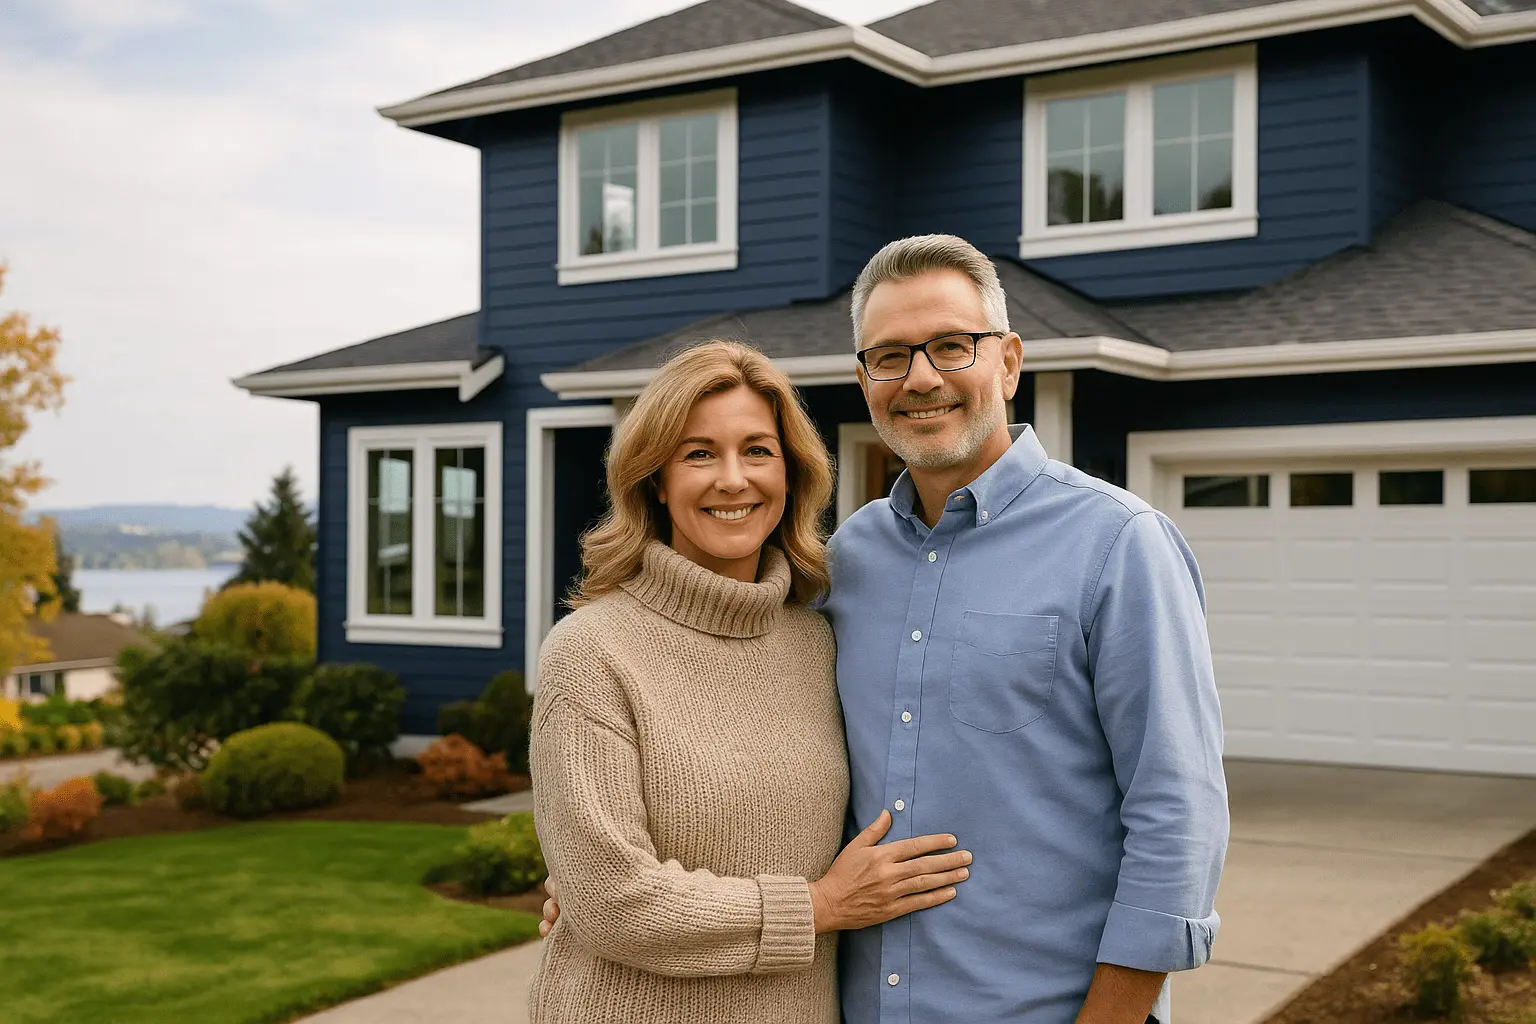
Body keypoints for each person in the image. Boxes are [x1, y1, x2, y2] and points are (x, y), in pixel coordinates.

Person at [542, 236, 1230, 1024]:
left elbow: (1180, 818)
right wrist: (596, 885)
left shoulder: (1118, 544)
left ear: (1007, 362)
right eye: (891, 356)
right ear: (865, 380)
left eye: (950, 345)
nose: (922, 378)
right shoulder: (845, 567)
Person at [527, 340, 973, 1024]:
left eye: (757, 450)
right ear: (656, 479)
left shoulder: (819, 640)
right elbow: (613, 900)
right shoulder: (591, 653)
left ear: (791, 474)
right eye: (698, 453)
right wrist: (820, 906)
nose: (733, 479)